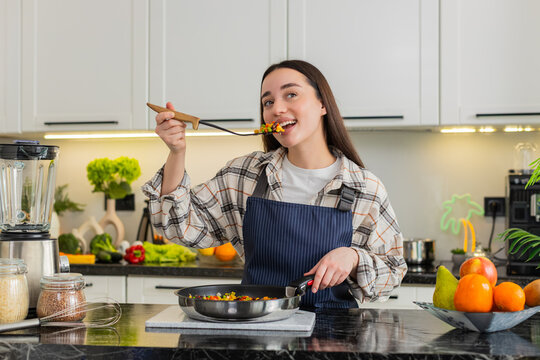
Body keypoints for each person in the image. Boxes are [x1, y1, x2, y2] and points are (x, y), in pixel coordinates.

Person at [142, 60, 407, 308]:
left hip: (332, 337)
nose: (276, 109)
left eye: (291, 94)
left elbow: (393, 271)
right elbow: (177, 226)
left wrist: (353, 258)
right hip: (256, 328)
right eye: (268, 102)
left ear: (322, 104)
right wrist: (177, 152)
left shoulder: (363, 187)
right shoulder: (246, 175)